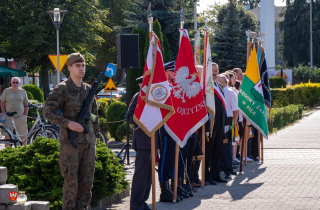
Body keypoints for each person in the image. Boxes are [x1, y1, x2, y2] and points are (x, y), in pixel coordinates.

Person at [43, 53, 99, 210]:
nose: (82, 68)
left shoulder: (89, 90)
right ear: (69, 68)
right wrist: (68, 124)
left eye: (83, 65)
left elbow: (94, 115)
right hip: (70, 144)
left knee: (87, 183)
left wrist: (96, 133)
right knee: (71, 183)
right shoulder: (62, 89)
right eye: (78, 66)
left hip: (88, 142)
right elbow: (48, 111)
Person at [126, 76, 161, 210]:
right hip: (143, 141)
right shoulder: (138, 97)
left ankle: (142, 202)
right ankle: (136, 205)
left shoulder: (154, 98)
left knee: (148, 177)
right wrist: (146, 119)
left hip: (152, 141)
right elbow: (129, 117)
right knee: (141, 176)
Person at [205, 62, 228, 184]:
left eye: (216, 70)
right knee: (209, 151)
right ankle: (207, 176)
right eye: (212, 70)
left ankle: (216, 174)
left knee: (218, 151)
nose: (214, 73)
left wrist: (225, 123)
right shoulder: (206, 86)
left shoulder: (219, 85)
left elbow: (223, 105)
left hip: (220, 123)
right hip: (210, 123)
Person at [216, 74, 238, 179]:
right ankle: (220, 167)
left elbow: (235, 110)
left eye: (217, 81)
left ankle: (228, 170)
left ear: (221, 83)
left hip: (229, 121)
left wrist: (234, 122)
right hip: (219, 120)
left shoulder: (230, 93)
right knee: (218, 146)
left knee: (227, 146)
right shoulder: (217, 91)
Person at [0, 77, 28, 145]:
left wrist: (25, 115)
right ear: (11, 83)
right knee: (7, 136)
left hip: (20, 117)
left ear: (19, 83)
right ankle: (8, 152)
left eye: (17, 82)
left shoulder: (23, 91)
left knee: (23, 136)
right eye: (13, 82)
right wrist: (4, 114)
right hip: (8, 117)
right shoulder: (6, 91)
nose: (15, 84)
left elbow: (26, 104)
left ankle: (24, 151)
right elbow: (2, 103)